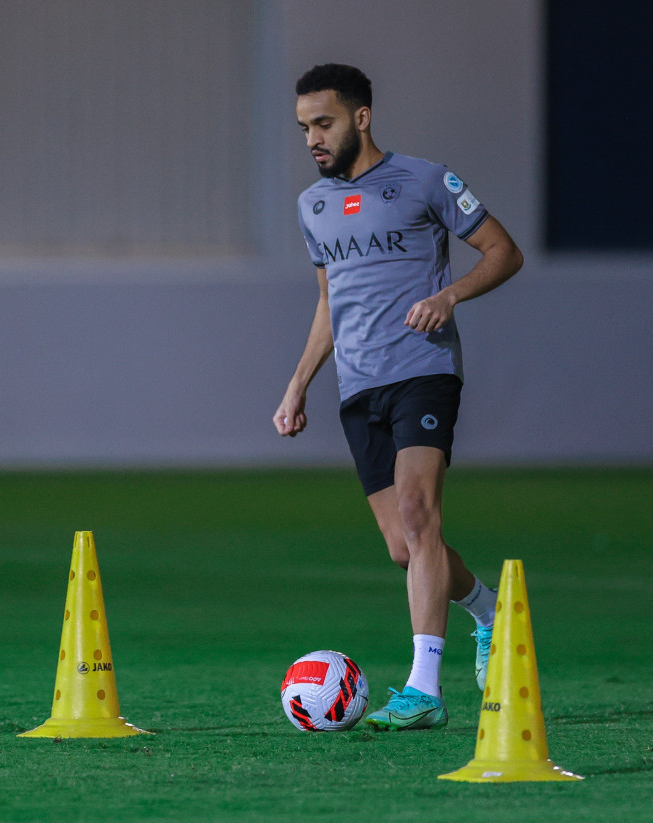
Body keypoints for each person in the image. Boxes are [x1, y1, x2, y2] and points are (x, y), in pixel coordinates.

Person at [273, 64, 524, 730]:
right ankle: (489, 612)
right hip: (358, 388)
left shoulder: (424, 179)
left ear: (361, 118)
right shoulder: (313, 206)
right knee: (404, 546)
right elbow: (330, 300)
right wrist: (298, 383)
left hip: (422, 370)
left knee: (419, 511)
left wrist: (449, 296)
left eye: (322, 124)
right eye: (303, 129)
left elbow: (503, 250)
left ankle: (423, 690)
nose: (312, 140)